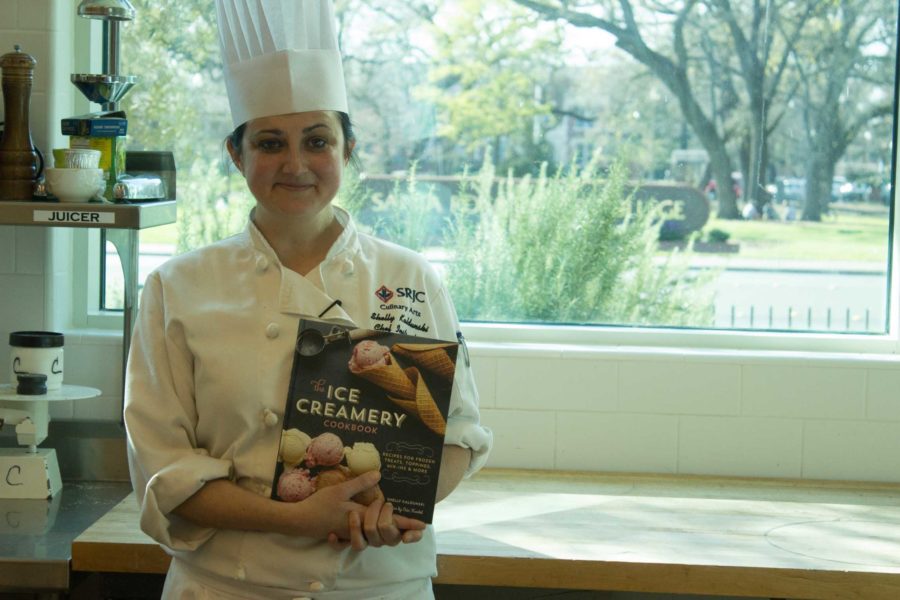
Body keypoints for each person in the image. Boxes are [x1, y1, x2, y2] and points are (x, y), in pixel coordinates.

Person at [123, 1, 492, 598]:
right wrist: (295, 519)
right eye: (270, 143)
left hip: (378, 584)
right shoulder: (178, 288)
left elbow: (455, 433)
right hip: (230, 586)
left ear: (348, 148)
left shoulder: (411, 276)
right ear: (236, 154)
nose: (295, 164)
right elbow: (165, 467)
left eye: (317, 140)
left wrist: (389, 507)